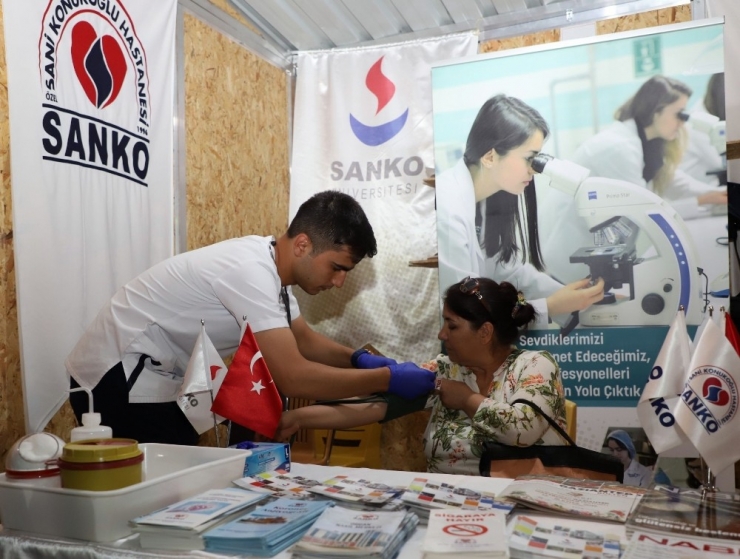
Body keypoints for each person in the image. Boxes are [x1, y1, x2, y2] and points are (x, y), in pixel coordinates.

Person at [66, 191, 435, 445]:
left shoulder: (272, 272)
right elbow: (292, 377)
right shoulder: (250, 270)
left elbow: (304, 340)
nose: (339, 283)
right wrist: (387, 378)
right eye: (337, 268)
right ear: (303, 245)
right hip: (115, 371)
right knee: (159, 486)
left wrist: (358, 358)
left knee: (179, 470)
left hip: (155, 374)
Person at [277, 277, 568, 475]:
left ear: (485, 332)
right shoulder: (446, 369)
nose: (442, 334)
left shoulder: (535, 366)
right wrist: (300, 418)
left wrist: (467, 399)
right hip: (445, 507)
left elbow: (523, 431)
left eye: (452, 326)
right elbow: (374, 407)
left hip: (522, 507)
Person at [435, 94, 604, 326]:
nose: (534, 170)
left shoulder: (489, 199)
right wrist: (551, 306)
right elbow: (467, 308)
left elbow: (510, 272)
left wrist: (574, 296)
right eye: (530, 159)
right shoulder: (449, 209)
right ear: (490, 156)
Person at [541, 75, 727, 283]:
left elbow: (673, 179)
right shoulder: (621, 148)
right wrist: (703, 201)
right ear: (656, 111)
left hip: (599, 253)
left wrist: (715, 194)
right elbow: (645, 211)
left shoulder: (645, 143)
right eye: (679, 114)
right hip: (573, 259)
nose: (683, 123)